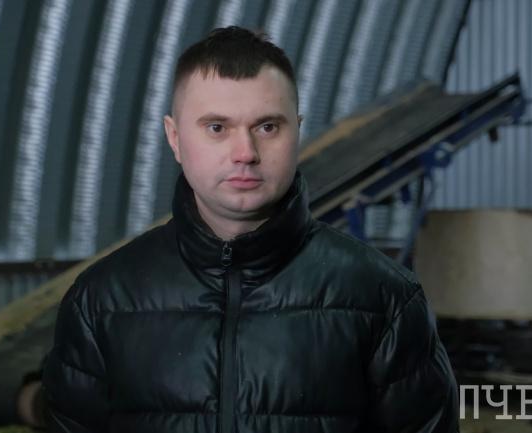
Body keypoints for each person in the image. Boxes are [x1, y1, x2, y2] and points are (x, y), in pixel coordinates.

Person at [41, 26, 459, 433]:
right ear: (174, 138)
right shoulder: (100, 300)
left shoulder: (385, 298)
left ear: (297, 131)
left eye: (267, 127)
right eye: (217, 128)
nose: (245, 153)